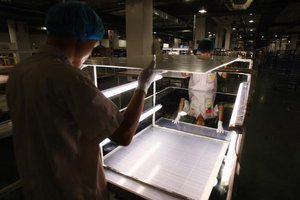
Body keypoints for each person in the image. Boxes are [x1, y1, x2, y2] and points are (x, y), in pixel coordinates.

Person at [6, 2, 161, 200]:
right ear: (82, 38)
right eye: (94, 44)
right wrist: (143, 85)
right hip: (72, 190)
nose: (91, 52)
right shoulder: (68, 77)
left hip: (36, 187)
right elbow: (124, 134)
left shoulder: (20, 72)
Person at [173, 39, 227, 133]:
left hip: (195, 91)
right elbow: (221, 106)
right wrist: (220, 123)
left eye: (208, 53)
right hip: (209, 92)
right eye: (204, 53)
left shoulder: (191, 112)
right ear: (200, 52)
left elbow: (224, 75)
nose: (206, 55)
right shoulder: (210, 114)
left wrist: (178, 115)